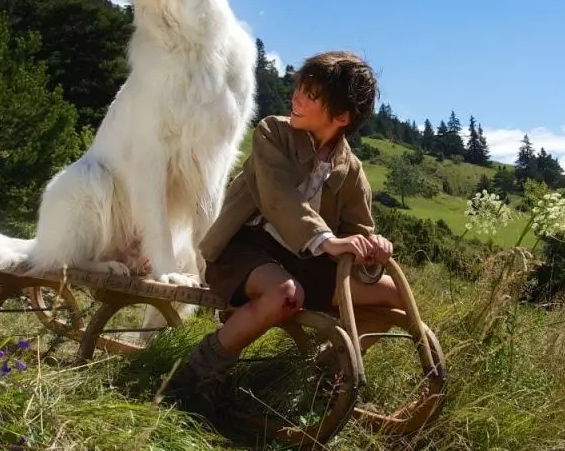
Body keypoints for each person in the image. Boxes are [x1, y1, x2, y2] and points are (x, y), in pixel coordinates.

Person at [162, 50, 402, 416]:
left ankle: (325, 372)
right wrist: (329, 240)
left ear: (340, 117)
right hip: (245, 249)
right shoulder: (272, 132)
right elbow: (279, 199)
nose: (297, 98)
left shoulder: (351, 170)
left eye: (311, 94)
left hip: (308, 261)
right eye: (300, 88)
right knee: (285, 295)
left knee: (394, 292)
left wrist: (372, 249)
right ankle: (193, 377)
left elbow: (358, 229)